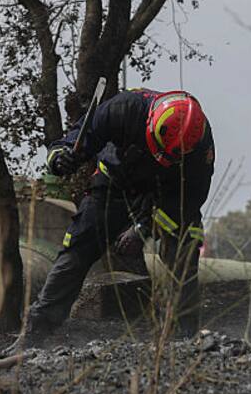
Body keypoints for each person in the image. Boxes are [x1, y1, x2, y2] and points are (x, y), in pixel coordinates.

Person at [26, 88, 214, 339]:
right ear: (150, 121)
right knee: (80, 243)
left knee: (183, 246)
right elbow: (86, 132)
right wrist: (63, 155)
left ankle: (184, 334)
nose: (162, 159)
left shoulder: (200, 148)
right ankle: (38, 328)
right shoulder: (125, 107)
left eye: (170, 156)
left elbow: (187, 202)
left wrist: (144, 229)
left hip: (167, 197)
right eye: (159, 149)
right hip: (115, 183)